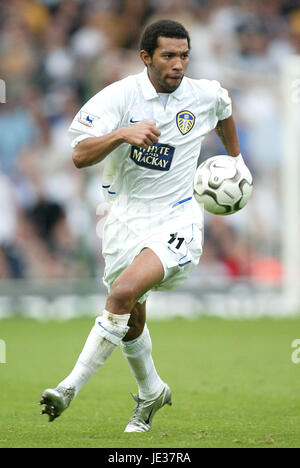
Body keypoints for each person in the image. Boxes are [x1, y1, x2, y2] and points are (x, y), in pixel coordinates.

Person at [40, 19, 242, 432]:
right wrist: (121, 134)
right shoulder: (119, 96)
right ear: (146, 57)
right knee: (130, 318)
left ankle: (68, 388)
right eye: (169, 56)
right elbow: (79, 155)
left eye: (184, 55)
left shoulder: (202, 93)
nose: (179, 64)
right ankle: (151, 391)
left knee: (122, 294)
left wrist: (235, 162)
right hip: (123, 217)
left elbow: (224, 110)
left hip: (178, 215)